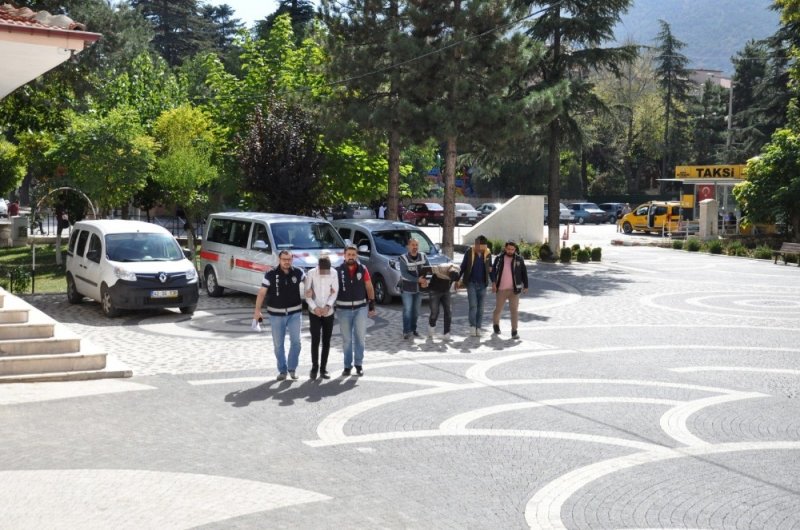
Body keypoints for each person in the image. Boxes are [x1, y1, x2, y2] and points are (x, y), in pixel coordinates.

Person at [253, 250, 306, 381]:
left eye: (289, 259)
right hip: (276, 315)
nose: (287, 262)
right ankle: (282, 370)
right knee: (278, 345)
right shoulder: (270, 274)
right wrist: (257, 311)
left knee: (296, 342)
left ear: (292, 259)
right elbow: (261, 293)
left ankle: (292, 369)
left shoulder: (298, 272)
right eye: (284, 259)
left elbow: (309, 283)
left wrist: (310, 291)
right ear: (279, 259)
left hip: (295, 313)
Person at [336, 245, 377, 376]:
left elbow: (369, 286)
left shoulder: (362, 269)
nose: (351, 257)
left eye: (354, 255)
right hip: (343, 310)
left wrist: (372, 304)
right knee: (347, 340)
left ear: (357, 256)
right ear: (344, 255)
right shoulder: (337, 270)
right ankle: (347, 366)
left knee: (360, 338)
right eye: (349, 254)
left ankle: (359, 364)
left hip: (360, 308)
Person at [304, 253, 338, 380]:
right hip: (315, 311)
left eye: (327, 270)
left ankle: (323, 369)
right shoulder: (311, 273)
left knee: (326, 340)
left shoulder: (334, 273)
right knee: (315, 339)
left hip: (328, 311)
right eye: (322, 270)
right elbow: (307, 293)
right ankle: (314, 367)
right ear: (318, 266)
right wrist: (315, 307)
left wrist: (328, 306)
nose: (324, 273)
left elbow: (335, 292)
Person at [491, 240, 529, 339]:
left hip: (514, 290)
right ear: (505, 248)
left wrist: (526, 286)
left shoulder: (519, 259)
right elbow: (493, 271)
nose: (510, 251)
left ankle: (514, 331)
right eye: (508, 249)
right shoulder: (499, 258)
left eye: (512, 249)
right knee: (498, 309)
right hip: (501, 289)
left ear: (515, 249)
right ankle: (496, 325)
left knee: (514, 311)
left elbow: (524, 272)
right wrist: (494, 283)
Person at [457, 235, 492, 337]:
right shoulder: (469, 252)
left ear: (484, 246)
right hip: (471, 283)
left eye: (479, 245)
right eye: (476, 244)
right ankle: (472, 326)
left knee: (481, 308)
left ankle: (478, 327)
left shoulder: (488, 254)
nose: (477, 246)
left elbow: (490, 268)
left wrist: (494, 282)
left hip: (483, 284)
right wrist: (457, 279)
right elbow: (463, 267)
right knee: (473, 306)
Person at [399, 238, 429, 339]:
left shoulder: (423, 256)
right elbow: (404, 274)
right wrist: (418, 280)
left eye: (416, 245)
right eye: (412, 245)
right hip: (407, 288)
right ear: (408, 246)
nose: (415, 247)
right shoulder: (403, 258)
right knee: (407, 310)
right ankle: (406, 331)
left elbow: (428, 269)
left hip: (419, 289)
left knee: (416, 311)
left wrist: (425, 281)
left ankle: (414, 329)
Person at [427, 263, 460, 340]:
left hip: (446, 291)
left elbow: (457, 277)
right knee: (435, 312)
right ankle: (431, 327)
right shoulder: (441, 270)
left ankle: (447, 333)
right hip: (434, 290)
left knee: (448, 311)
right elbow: (429, 270)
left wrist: (457, 282)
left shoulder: (456, 270)